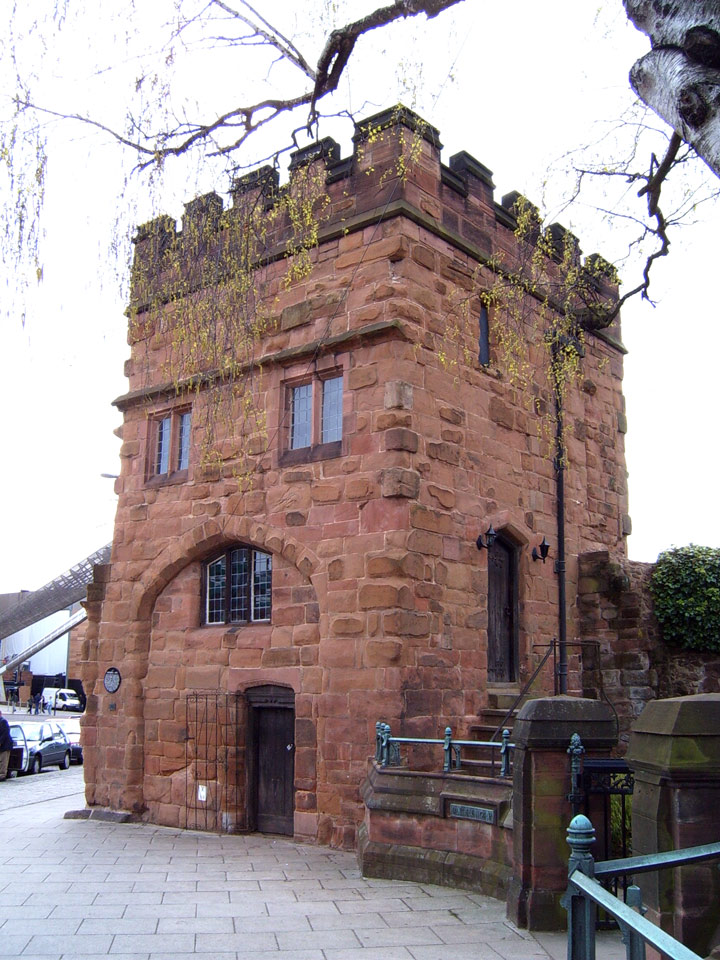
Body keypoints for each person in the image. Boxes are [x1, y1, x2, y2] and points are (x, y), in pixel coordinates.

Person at [0, 708, 13, 781]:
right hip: (3, 744)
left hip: (4, 745)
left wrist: (0, 742)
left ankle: (2, 775)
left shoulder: (3, 721)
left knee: (3, 760)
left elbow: (4, 733)